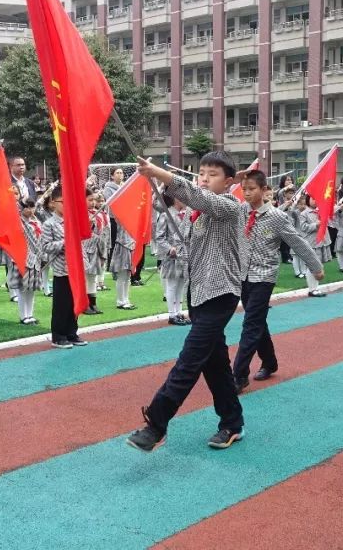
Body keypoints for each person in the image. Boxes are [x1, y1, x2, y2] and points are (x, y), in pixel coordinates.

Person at [127, 151, 247, 452]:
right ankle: (232, 423)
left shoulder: (231, 207)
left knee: (189, 360)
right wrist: (158, 182)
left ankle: (156, 425)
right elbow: (187, 201)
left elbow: (200, 197)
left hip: (221, 294)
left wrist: (161, 174)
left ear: (229, 182)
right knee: (215, 364)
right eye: (201, 173)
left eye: (213, 175)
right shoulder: (200, 215)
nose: (204, 179)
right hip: (200, 295)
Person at [233, 170, 323, 392]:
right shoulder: (239, 211)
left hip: (264, 277)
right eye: (244, 189)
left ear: (264, 191)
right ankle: (270, 362)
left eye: (251, 189)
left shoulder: (277, 217)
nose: (246, 193)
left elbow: (298, 242)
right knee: (257, 321)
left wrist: (316, 267)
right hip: (243, 274)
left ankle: (239, 374)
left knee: (251, 323)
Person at [41, 187, 87, 349]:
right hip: (62, 270)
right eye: (63, 202)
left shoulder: (72, 221)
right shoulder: (49, 224)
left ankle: (71, 333)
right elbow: (45, 246)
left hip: (76, 268)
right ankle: (58, 335)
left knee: (74, 303)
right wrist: (65, 242)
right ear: (53, 203)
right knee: (62, 304)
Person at [154, 194, 191, 326]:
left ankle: (179, 312)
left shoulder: (187, 215)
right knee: (172, 284)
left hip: (184, 255)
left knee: (181, 284)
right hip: (171, 257)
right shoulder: (166, 215)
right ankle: (171, 314)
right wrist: (170, 249)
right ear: (176, 198)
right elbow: (159, 237)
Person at [9, 199, 45, 325]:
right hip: (22, 259)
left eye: (32, 207)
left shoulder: (36, 222)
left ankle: (30, 314)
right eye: (27, 208)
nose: (30, 210)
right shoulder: (18, 222)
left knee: (31, 289)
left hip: (35, 259)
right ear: (21, 209)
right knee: (22, 289)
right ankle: (23, 316)